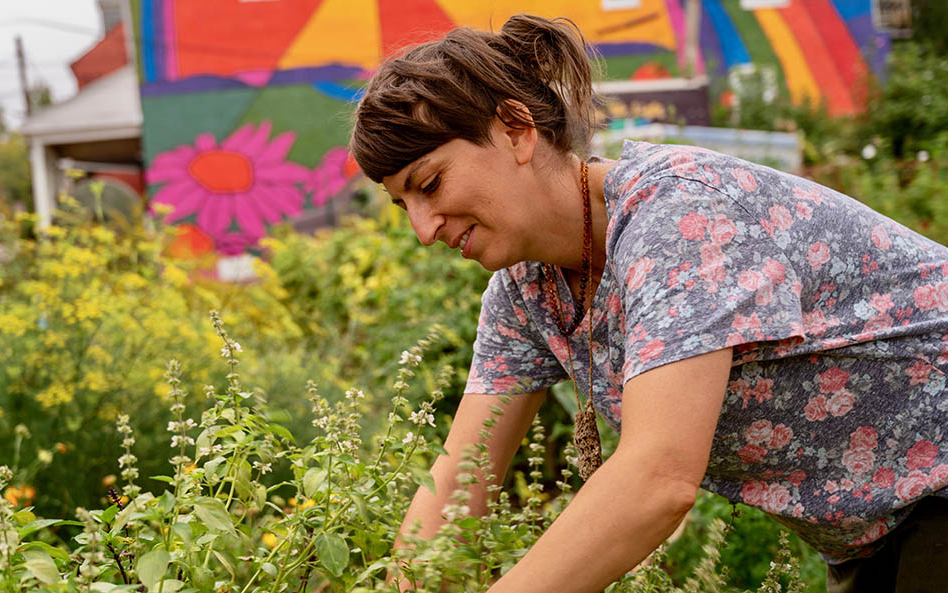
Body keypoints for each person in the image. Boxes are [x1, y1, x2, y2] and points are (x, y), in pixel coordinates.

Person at [349, 13, 948, 593]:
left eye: (429, 185)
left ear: (515, 129)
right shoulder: (528, 289)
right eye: (405, 206)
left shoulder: (680, 216)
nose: (423, 230)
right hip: (876, 530)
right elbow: (459, 485)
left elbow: (657, 481)